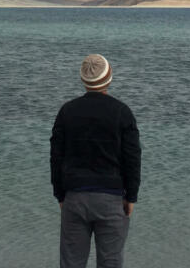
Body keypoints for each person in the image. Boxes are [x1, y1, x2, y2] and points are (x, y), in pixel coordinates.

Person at [50, 54, 141, 268]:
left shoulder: (67, 111)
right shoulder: (122, 112)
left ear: (84, 80)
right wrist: (132, 196)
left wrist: (60, 194)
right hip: (111, 199)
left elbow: (56, 156)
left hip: (74, 197)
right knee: (110, 262)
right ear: (108, 78)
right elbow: (133, 157)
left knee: (71, 262)